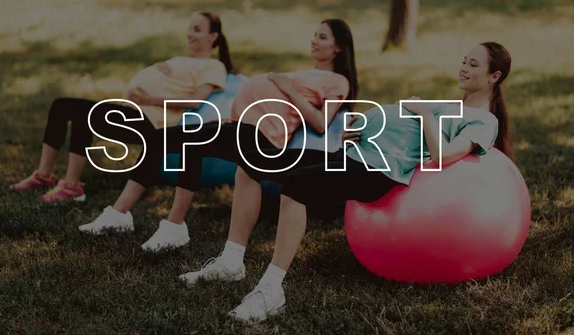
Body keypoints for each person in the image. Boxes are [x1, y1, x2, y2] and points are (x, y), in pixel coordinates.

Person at [179, 42, 513, 323]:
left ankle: (271, 290)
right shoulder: (450, 105)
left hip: (376, 171)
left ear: (494, 76)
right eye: (464, 61)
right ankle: (231, 261)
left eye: (473, 64)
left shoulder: (483, 121)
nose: (464, 68)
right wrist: (360, 129)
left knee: (295, 189)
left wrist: (423, 113)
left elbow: (442, 155)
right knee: (251, 165)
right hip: (354, 153)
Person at [78, 19, 359, 254]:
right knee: (175, 141)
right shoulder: (307, 72)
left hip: (263, 138)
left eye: (322, 37)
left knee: (174, 141)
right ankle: (166, 224)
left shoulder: (338, 81)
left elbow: (321, 123)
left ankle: (136, 219)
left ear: (338, 48)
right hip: (243, 126)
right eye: (314, 35)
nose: (314, 40)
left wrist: (287, 88)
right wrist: (227, 119)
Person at [9, 12, 237, 204]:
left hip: (152, 122)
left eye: (197, 29)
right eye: (190, 28)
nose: (190, 34)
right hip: (135, 110)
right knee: (62, 105)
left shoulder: (213, 66)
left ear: (213, 36)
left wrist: (151, 99)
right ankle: (44, 176)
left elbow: (195, 102)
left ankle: (71, 187)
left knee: (80, 114)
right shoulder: (181, 59)